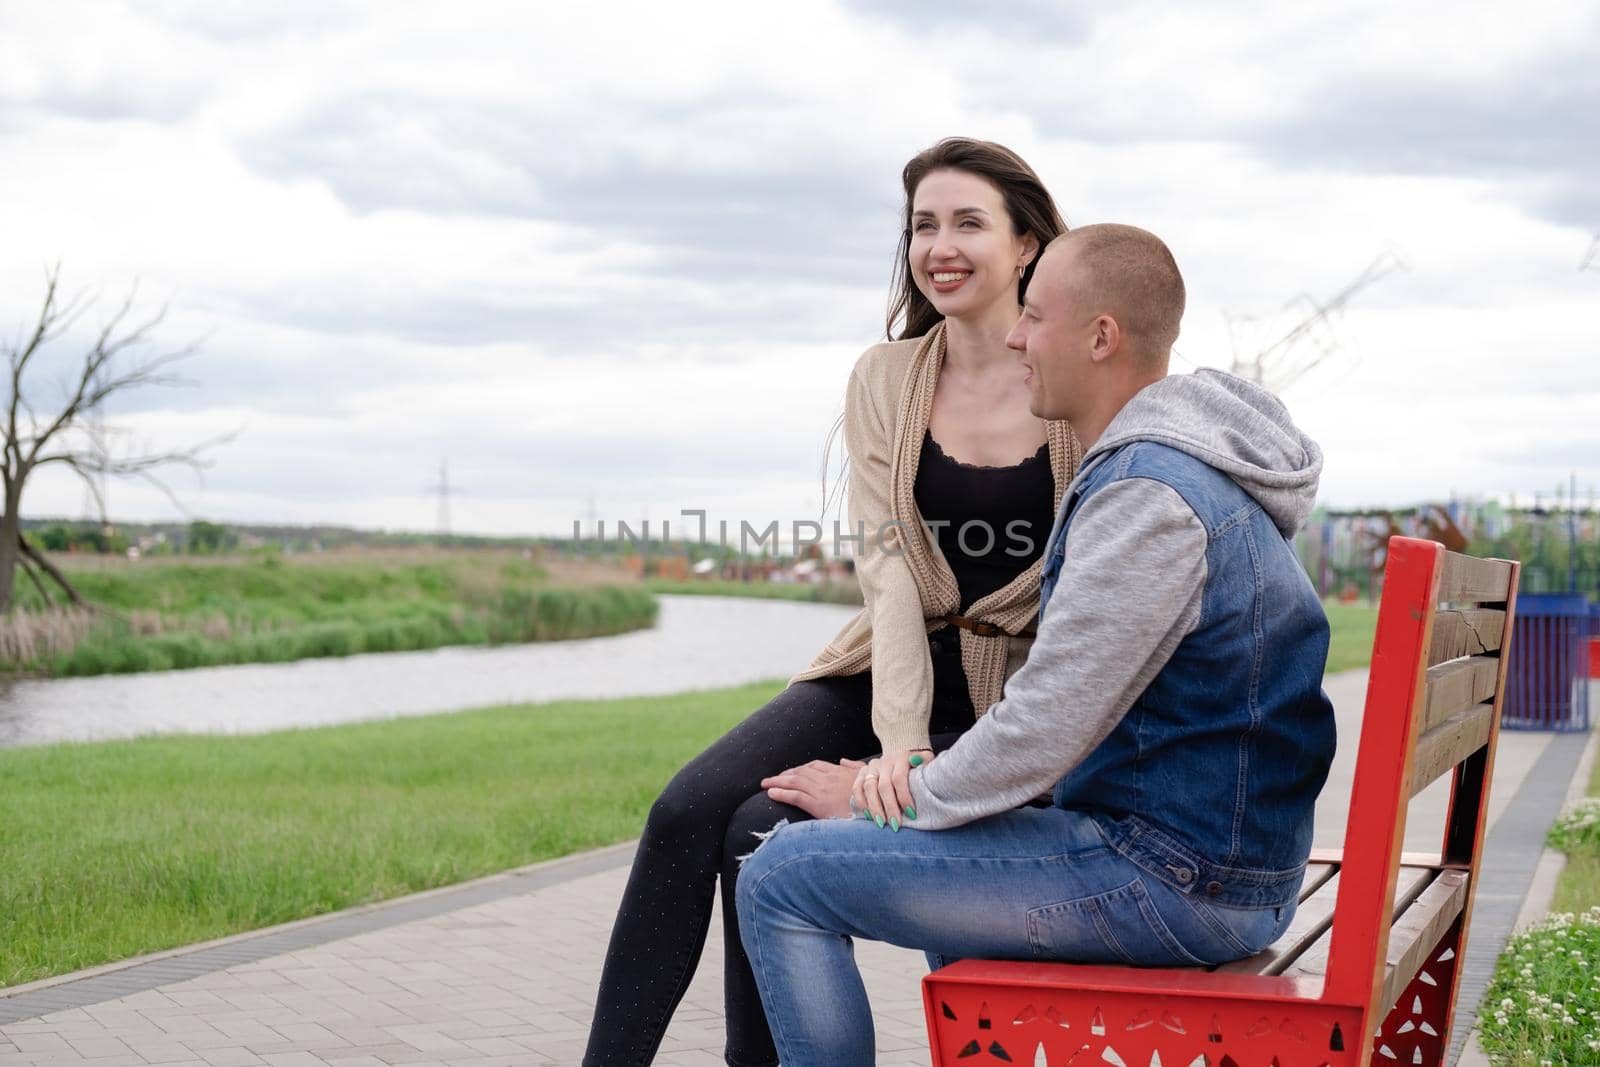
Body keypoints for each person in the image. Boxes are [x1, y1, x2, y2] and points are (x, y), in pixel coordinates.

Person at [736, 224, 1339, 1067]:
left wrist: (885, 796)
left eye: (1035, 317)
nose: (1015, 337)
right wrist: (928, 794)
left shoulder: (1147, 497)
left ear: (1101, 338)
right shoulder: (1184, 470)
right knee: (953, 874)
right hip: (1215, 859)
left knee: (782, 875)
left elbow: (1043, 729)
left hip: (1177, 881)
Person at [582, 138, 1084, 1067]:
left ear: (1027, 246)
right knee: (687, 809)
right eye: (923, 225)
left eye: (969, 222)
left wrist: (937, 765)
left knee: (756, 832)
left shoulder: (1072, 380)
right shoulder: (885, 379)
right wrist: (898, 743)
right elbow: (890, 574)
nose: (940, 245)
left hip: (1017, 690)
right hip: (889, 665)